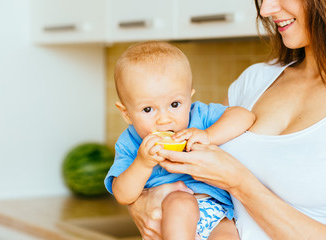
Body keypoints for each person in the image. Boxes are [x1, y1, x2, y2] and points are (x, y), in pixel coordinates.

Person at [127, 0, 326, 239]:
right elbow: (178, 172)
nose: (265, 10)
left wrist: (239, 183)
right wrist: (141, 203)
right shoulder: (254, 81)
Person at [104, 41, 255, 239]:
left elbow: (244, 116)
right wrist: (142, 163)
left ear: (189, 98)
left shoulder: (200, 117)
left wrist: (208, 135)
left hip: (218, 212)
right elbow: (123, 195)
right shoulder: (130, 142)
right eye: (148, 109)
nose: (164, 119)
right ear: (126, 113)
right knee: (180, 202)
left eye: (175, 104)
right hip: (170, 216)